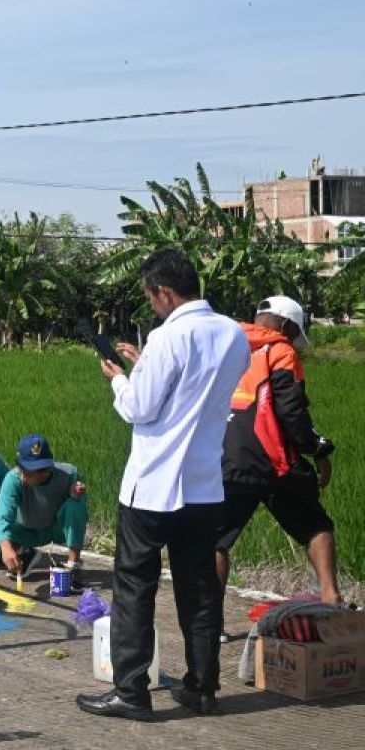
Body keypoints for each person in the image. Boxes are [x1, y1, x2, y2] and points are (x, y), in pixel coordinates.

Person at [77, 248, 250, 721]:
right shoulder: (234, 335)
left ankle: (131, 693)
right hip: (204, 487)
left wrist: (119, 379)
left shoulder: (167, 336)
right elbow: (193, 393)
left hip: (153, 487)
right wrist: (145, 362)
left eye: (151, 297)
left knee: (135, 587)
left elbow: (140, 408)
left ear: (165, 292)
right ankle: (202, 687)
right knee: (199, 590)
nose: (152, 305)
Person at [218, 296, 339, 611]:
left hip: (226, 456)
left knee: (215, 541)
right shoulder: (281, 350)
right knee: (317, 526)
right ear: (285, 325)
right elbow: (291, 412)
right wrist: (317, 450)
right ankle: (331, 598)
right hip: (274, 459)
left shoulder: (224, 345)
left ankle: (209, 623)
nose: (294, 341)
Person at [0, 435, 88, 589]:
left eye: (29, 472)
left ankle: (73, 565)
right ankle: (23, 553)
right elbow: (3, 515)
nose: (23, 475)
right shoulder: (13, 479)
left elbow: (78, 514)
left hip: (55, 529)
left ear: (47, 469)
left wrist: (76, 496)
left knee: (75, 505)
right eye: (24, 469)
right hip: (24, 531)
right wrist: (6, 547)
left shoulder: (69, 474)